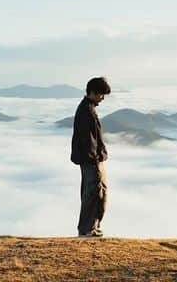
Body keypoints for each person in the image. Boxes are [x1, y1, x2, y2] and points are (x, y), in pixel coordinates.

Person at [71, 76, 110, 237]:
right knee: (93, 192)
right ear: (93, 92)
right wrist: (95, 158)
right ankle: (87, 229)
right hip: (91, 159)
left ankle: (92, 226)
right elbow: (89, 139)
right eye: (101, 95)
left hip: (91, 159)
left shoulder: (88, 109)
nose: (102, 98)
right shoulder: (86, 111)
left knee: (97, 192)